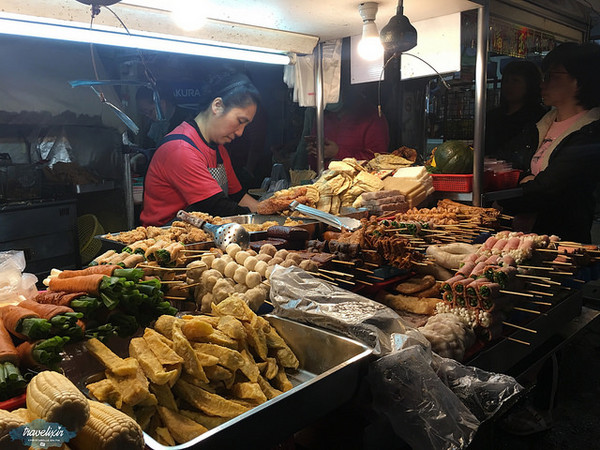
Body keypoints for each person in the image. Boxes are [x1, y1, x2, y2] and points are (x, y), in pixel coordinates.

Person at [498, 42, 600, 244]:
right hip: (525, 238)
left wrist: (504, 194)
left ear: (579, 80)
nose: (542, 84)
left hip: (562, 243)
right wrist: (525, 180)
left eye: (552, 77)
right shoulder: (542, 123)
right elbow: (506, 163)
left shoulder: (592, 132)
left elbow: (549, 190)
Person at [140, 71, 261, 226]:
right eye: (240, 121)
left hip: (200, 234)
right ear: (217, 106)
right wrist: (260, 220)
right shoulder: (180, 149)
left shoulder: (218, 149)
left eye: (246, 125)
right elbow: (217, 207)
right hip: (164, 241)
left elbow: (238, 196)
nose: (240, 132)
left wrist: (268, 212)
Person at [293, 87, 390, 171]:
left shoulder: (372, 117)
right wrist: (315, 151)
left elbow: (379, 160)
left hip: (359, 185)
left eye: (332, 93)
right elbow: (313, 164)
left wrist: (337, 152)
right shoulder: (322, 116)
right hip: (324, 183)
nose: (328, 99)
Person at [485, 60, 548, 170]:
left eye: (515, 81)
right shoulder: (492, 116)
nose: (509, 86)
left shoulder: (539, 117)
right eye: (506, 81)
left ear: (530, 84)